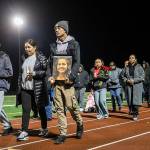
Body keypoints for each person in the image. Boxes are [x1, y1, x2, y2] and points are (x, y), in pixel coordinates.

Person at [48, 20, 83, 144]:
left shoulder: (74, 43)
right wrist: (50, 76)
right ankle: (63, 133)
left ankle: (80, 124)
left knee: (71, 106)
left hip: (68, 82)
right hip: (57, 82)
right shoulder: (53, 45)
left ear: (65, 30)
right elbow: (50, 63)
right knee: (59, 108)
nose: (56, 30)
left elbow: (77, 62)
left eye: (58, 28)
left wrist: (71, 76)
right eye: (55, 29)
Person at [16, 39, 49, 141]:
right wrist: (19, 85)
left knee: (41, 109)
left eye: (29, 47)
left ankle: (44, 128)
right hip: (25, 89)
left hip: (37, 88)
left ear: (35, 47)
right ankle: (24, 131)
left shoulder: (41, 58)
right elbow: (21, 73)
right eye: (25, 47)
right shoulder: (23, 58)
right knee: (26, 110)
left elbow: (45, 72)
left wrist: (34, 73)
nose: (27, 49)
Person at [121, 54, 144, 121]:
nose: (131, 59)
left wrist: (134, 80)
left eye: (132, 58)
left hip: (137, 85)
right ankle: (132, 111)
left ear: (135, 59)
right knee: (130, 100)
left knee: (135, 101)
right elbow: (122, 76)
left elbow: (142, 76)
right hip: (129, 85)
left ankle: (135, 114)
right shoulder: (126, 67)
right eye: (130, 58)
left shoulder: (139, 67)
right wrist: (127, 80)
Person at [0, 43, 13, 136]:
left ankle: (7, 125)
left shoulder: (4, 57)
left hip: (1, 85)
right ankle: (7, 124)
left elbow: (10, 72)